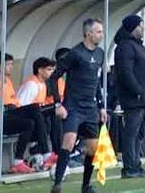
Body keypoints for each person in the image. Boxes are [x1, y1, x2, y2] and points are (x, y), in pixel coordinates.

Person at [51, 19, 108, 193]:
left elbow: (96, 81)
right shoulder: (75, 54)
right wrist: (58, 104)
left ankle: (86, 186)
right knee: (68, 142)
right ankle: (57, 184)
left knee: (92, 148)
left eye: (101, 31)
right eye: (98, 31)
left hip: (90, 108)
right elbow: (53, 78)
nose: (101, 34)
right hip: (73, 106)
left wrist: (101, 106)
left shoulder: (100, 53)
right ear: (88, 33)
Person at [113, 15, 145, 179]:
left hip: (143, 97)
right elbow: (126, 72)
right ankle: (129, 167)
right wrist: (138, 91)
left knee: (138, 133)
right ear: (133, 28)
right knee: (131, 133)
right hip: (134, 98)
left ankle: (136, 165)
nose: (143, 29)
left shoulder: (136, 46)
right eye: (140, 26)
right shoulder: (125, 47)